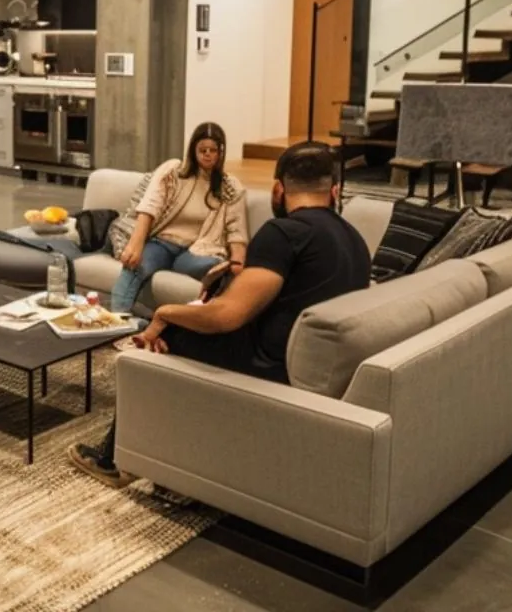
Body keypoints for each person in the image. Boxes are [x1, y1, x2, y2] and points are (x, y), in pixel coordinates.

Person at [70, 141, 372, 487]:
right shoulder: (354, 239)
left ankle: (116, 459)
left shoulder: (286, 232)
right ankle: (169, 450)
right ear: (334, 192)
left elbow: (227, 316)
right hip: (316, 365)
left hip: (274, 366)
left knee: (168, 336)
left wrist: (165, 313)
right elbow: (298, 291)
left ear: (278, 190)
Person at [110, 122, 248, 313]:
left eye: (213, 150)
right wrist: (136, 244)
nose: (207, 154)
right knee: (134, 267)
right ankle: (116, 322)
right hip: (161, 244)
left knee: (212, 265)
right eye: (202, 149)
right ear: (193, 150)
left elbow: (236, 229)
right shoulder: (173, 172)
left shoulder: (230, 186)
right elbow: (151, 205)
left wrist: (238, 262)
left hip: (197, 250)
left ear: (220, 152)